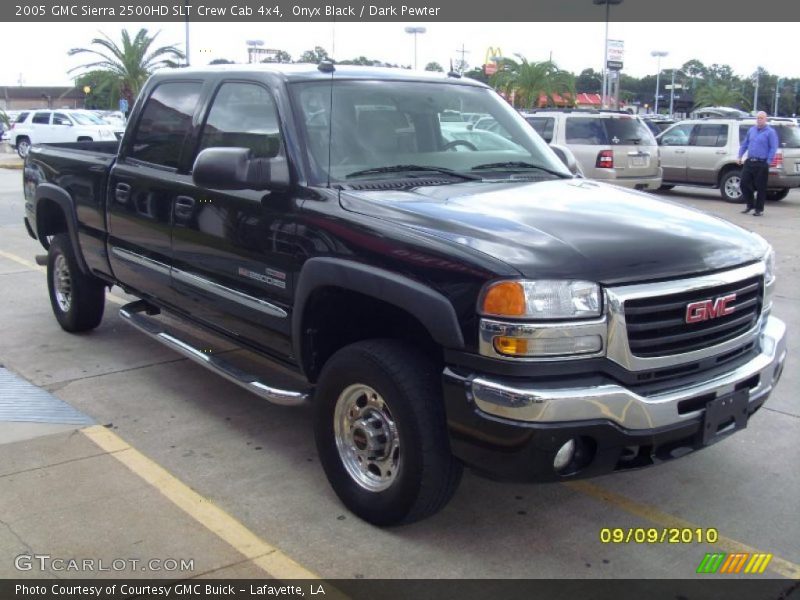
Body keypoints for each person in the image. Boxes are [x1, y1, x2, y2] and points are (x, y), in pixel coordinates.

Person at [737, 111, 779, 216]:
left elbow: (773, 148)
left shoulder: (770, 132)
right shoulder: (752, 130)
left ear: (765, 119)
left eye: (761, 118)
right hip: (750, 161)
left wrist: (768, 162)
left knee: (761, 187)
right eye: (758, 118)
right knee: (744, 183)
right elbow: (745, 144)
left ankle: (759, 209)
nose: (759, 120)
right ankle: (750, 205)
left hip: (762, 163)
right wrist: (740, 156)